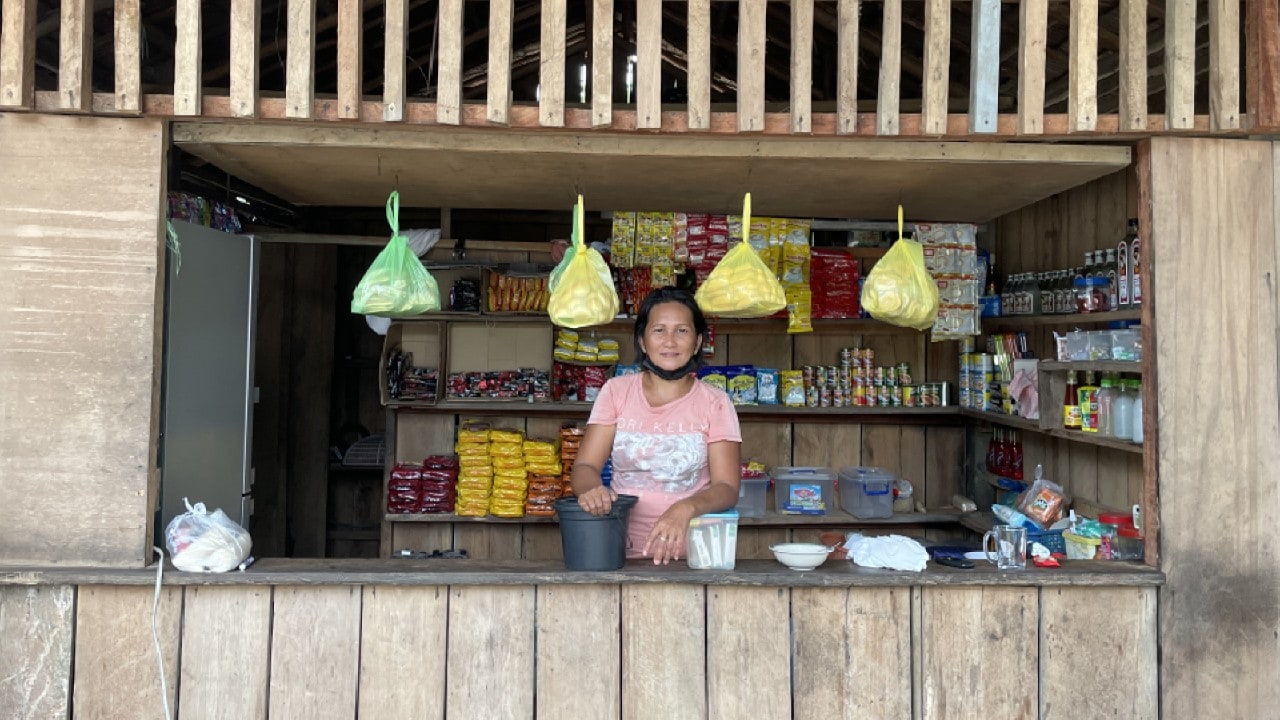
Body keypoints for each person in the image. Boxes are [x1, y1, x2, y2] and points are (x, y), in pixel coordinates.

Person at [571, 287, 742, 565]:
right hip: (616, 553)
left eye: (682, 331)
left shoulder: (716, 403)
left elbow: (726, 487)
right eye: (659, 330)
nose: (670, 342)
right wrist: (592, 490)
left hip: (691, 558)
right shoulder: (616, 392)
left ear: (698, 342)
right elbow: (585, 468)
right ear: (642, 340)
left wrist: (686, 508)